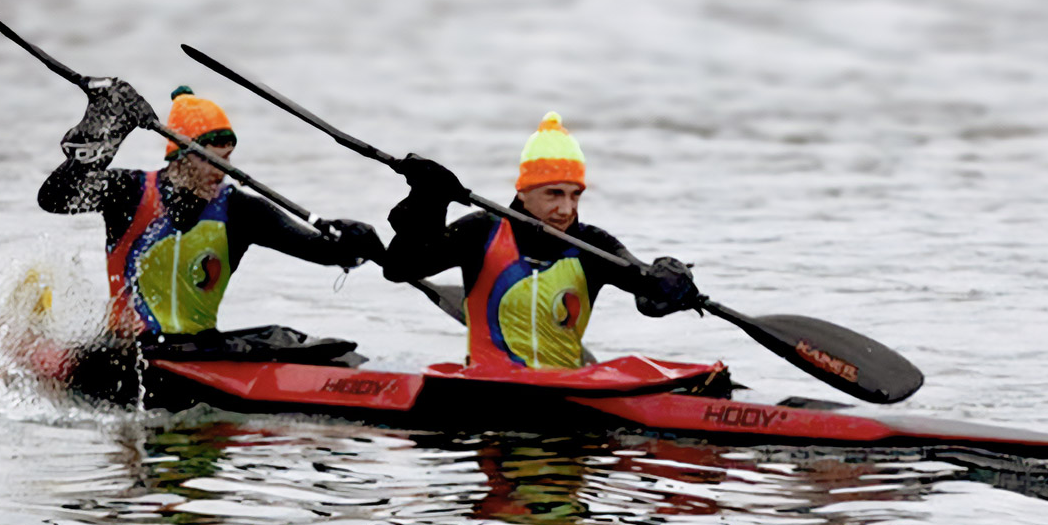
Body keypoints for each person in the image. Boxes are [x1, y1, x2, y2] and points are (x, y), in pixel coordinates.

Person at [38, 79, 383, 396]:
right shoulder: (129, 192)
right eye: (211, 160)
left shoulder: (241, 211)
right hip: (127, 357)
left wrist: (356, 239)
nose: (221, 172)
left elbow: (323, 253)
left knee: (310, 346)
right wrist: (105, 129)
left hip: (201, 352)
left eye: (228, 159)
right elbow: (55, 197)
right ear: (181, 156)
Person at [382, 111, 702, 370]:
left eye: (575, 195)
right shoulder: (482, 231)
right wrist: (428, 200)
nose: (566, 209)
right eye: (554, 194)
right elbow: (401, 268)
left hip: (568, 392)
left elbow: (646, 288)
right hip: (488, 390)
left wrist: (668, 278)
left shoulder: (593, 245)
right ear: (522, 192)